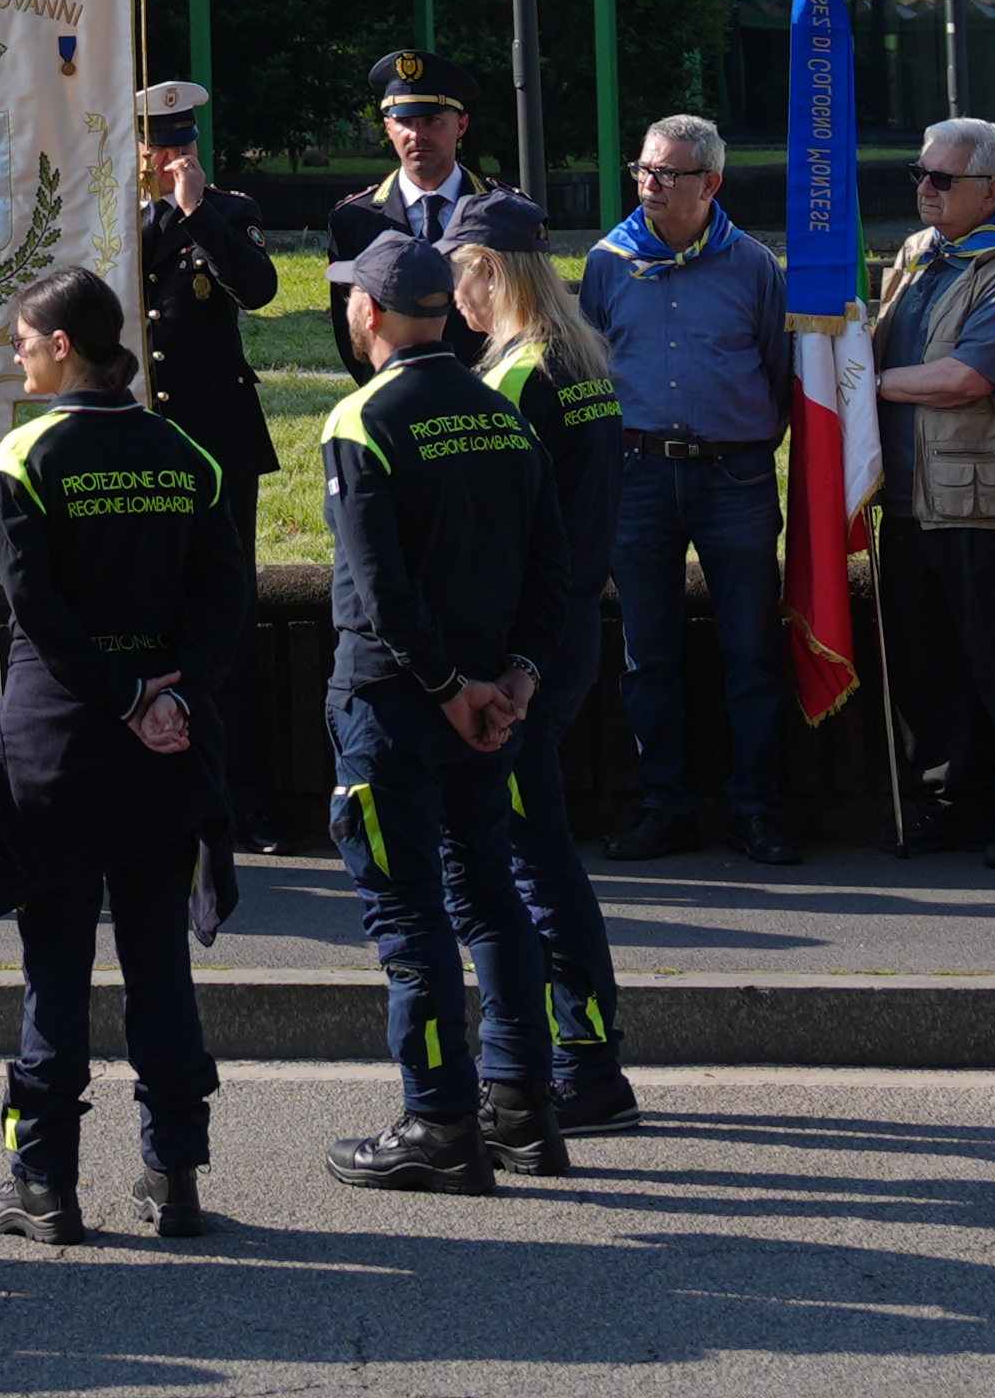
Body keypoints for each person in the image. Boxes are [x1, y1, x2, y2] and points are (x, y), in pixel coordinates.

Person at [0, 266, 242, 1246]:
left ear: (64, 346)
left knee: (54, 966)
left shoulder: (26, 454)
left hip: (58, 743)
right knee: (158, 963)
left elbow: (39, 612)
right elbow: (223, 605)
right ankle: (174, 1176)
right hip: (165, 745)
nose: (16, 356)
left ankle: (43, 1184)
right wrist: (169, 695)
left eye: (24, 340)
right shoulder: (188, 454)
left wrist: (119, 696)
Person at [316, 230, 566, 1192]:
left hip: (395, 704)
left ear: (370, 313)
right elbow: (554, 572)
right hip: (491, 708)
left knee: (410, 916)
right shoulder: (505, 415)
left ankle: (439, 1122)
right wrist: (514, 681)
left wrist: (447, 688)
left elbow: (380, 589)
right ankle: (524, 1113)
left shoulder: (360, 420)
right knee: (493, 900)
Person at [448, 192, 637, 1130]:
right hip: (568, 634)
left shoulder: (518, 379)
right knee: (537, 851)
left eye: (459, 274)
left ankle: (588, 1064)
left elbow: (500, 535)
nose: (455, 296)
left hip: (525, 649)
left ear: (490, 270)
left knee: (533, 861)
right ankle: (579, 1055)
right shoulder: (582, 360)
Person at [577, 112, 796, 862]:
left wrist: (742, 441)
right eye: (642, 170)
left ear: (712, 183)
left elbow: (779, 370)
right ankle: (662, 806)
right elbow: (592, 363)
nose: (649, 186)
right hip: (637, 474)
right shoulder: (608, 261)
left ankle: (757, 809)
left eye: (666, 174)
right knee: (648, 653)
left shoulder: (755, 266)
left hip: (733, 473)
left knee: (753, 649)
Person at [866, 117, 995, 869]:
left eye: (942, 180)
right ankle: (951, 807)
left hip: (991, 507)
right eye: (921, 174)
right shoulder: (922, 255)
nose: (924, 189)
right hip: (914, 498)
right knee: (928, 670)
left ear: (992, 190)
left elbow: (968, 378)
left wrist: (867, 386)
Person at [131, 79, 283, 804]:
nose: (172, 160)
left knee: (230, 613)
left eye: (183, 146)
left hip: (217, 440)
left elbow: (257, 289)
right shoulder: (107, 219)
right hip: (140, 442)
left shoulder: (229, 212)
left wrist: (195, 214)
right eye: (161, 148)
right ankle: (157, 786)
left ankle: (245, 791)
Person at [320, 62, 476, 373]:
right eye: (405, 121)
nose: (418, 135)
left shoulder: (502, 212)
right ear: (388, 127)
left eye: (432, 121)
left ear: (461, 125)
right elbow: (353, 333)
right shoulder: (354, 218)